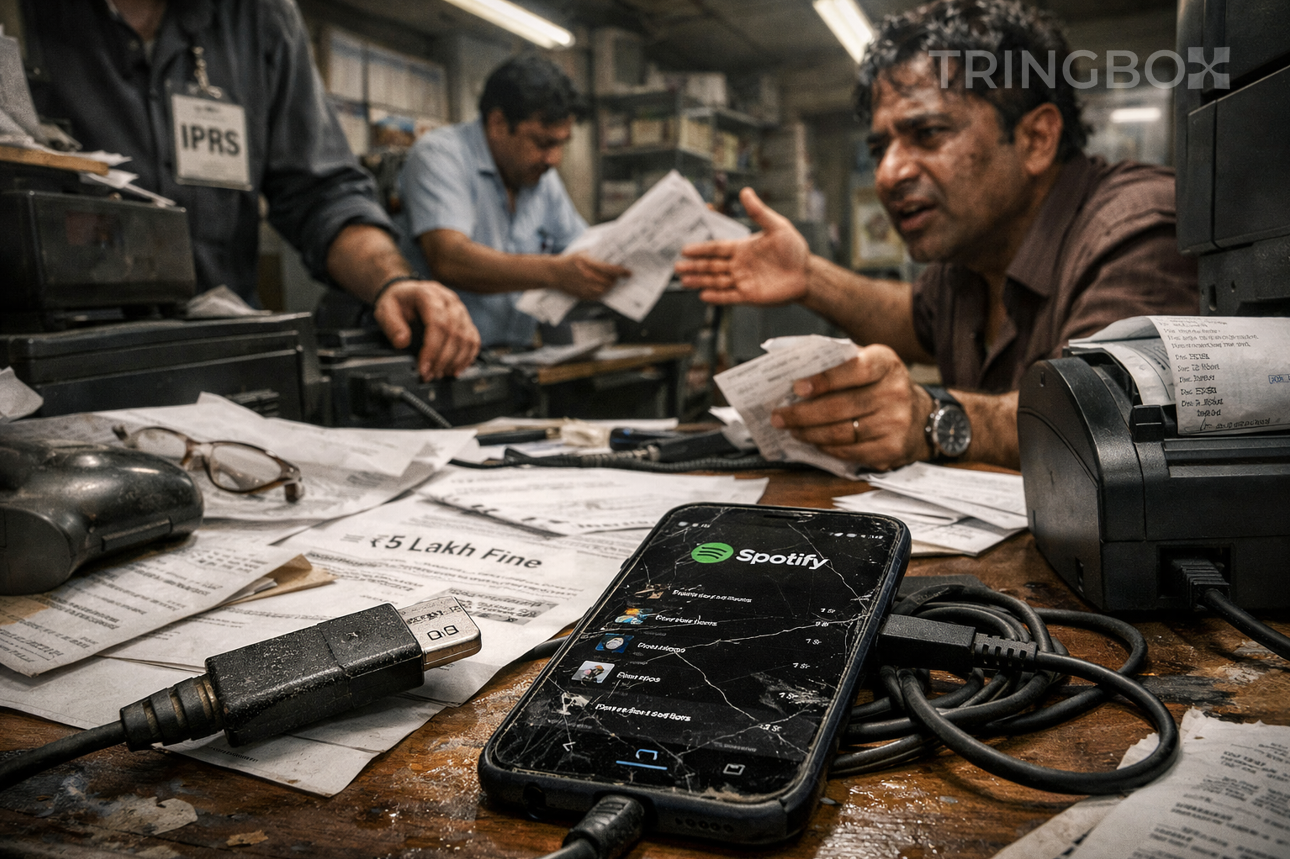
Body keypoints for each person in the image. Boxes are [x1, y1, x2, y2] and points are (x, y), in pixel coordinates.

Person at [676, 0, 1198, 471]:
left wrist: (934, 417)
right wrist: (808, 275)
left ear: (1036, 138)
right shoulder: (968, 255)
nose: (887, 174)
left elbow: (1110, 410)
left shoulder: (1137, 227)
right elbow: (911, 317)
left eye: (927, 134)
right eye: (881, 147)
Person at [23, 0, 479, 381]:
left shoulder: (257, 15)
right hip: (48, 372)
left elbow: (321, 191)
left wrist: (391, 282)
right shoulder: (23, 18)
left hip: (225, 368)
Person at [398, 55, 630, 350]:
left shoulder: (542, 179)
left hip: (513, 359)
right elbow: (450, 259)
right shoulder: (440, 155)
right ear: (497, 123)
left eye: (562, 144)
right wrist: (556, 273)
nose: (554, 159)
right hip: (436, 360)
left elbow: (583, 250)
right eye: (544, 143)